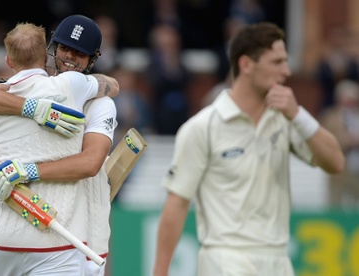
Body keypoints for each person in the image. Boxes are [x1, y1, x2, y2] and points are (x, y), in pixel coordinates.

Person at [153, 22, 345, 276]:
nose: (286, 71)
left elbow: (335, 162)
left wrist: (298, 115)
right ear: (246, 65)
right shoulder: (203, 126)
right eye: (276, 62)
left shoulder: (287, 118)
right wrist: (160, 272)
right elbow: (177, 203)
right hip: (224, 259)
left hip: (278, 259)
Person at [0, 22, 118, 276]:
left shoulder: (98, 102)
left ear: (91, 59)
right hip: (29, 233)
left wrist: (28, 170)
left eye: (79, 53)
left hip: (78, 234)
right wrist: (32, 108)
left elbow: (90, 164)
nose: (69, 57)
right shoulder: (23, 89)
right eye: (65, 48)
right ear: (50, 50)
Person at [320, 79, 359, 210]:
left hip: (356, 167)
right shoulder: (330, 116)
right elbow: (324, 139)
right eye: (347, 99)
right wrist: (344, 140)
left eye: (353, 99)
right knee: (335, 204)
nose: (350, 103)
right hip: (338, 169)